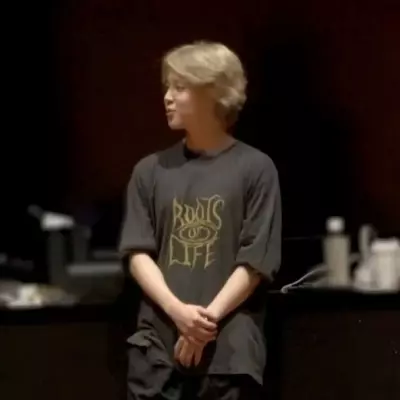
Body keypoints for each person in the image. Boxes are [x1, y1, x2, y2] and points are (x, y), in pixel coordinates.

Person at [119, 41, 281, 400]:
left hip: (228, 352)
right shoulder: (150, 171)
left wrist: (201, 325)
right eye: (167, 87)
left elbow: (255, 261)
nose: (167, 97)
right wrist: (178, 313)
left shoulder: (255, 168)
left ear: (213, 93)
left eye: (180, 87)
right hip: (158, 350)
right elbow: (138, 253)